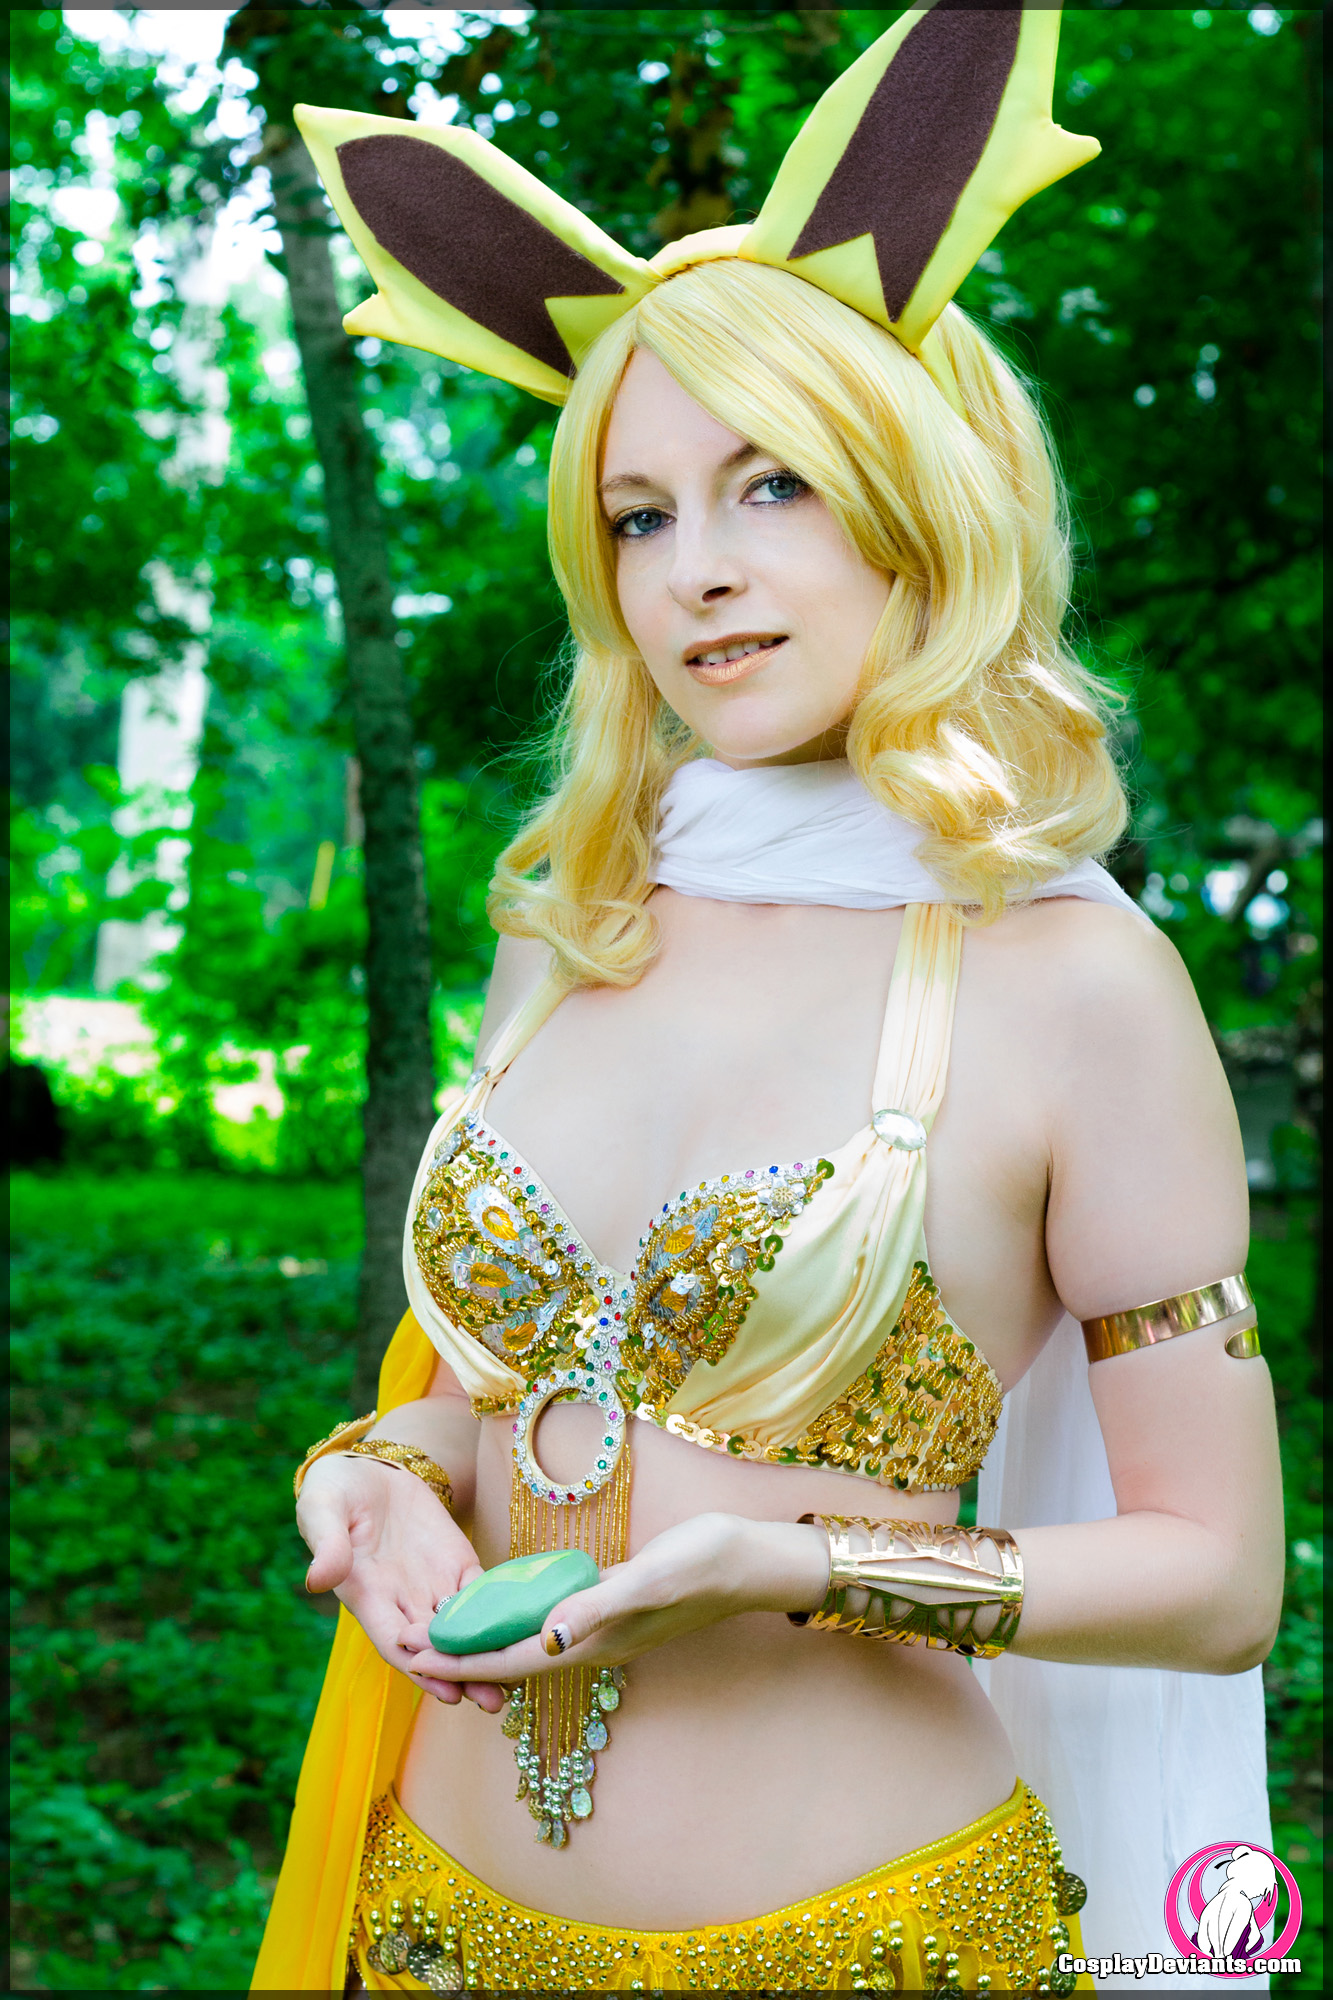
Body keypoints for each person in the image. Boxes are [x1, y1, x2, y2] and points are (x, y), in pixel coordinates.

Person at [253, 7, 1283, 1992]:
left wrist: (800, 1567)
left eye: (774, 487)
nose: (695, 574)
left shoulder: (1076, 980)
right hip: (430, 1930)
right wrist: (373, 1480)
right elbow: (480, 1401)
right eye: (639, 515)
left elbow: (1218, 1579)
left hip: (875, 1943)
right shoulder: (572, 919)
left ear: (921, 495)